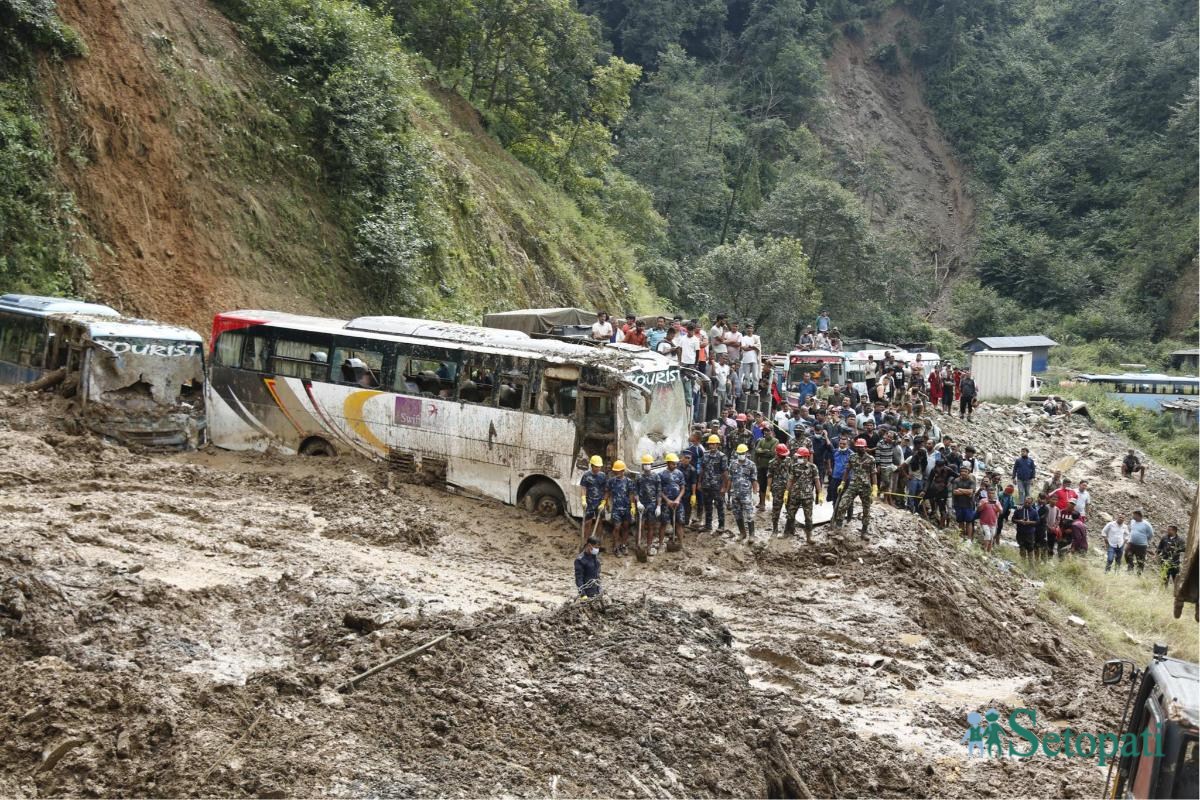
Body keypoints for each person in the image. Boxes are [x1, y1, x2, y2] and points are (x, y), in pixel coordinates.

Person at [833, 438, 876, 538]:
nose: (859, 449)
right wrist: (843, 483)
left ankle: (864, 532)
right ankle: (838, 528)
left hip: (865, 487)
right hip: (853, 485)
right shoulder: (852, 457)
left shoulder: (871, 459)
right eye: (857, 447)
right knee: (842, 504)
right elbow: (847, 470)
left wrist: (875, 487)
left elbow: (873, 474)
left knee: (866, 509)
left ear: (865, 447)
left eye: (861, 447)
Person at [604, 460, 635, 556]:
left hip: (626, 508)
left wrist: (633, 505)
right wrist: (605, 503)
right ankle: (616, 547)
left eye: (619, 471)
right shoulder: (611, 481)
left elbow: (631, 494)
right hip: (616, 509)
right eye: (615, 471)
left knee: (626, 527)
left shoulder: (629, 482)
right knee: (617, 527)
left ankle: (624, 545)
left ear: (623, 471)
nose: (617, 472)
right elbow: (607, 493)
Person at [728, 443, 759, 540]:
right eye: (739, 453)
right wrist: (727, 493)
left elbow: (754, 480)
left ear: (746, 453)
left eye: (742, 453)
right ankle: (742, 533)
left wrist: (755, 494)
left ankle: (752, 535)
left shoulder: (751, 465)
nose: (741, 454)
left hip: (746, 495)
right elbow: (730, 479)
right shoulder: (733, 464)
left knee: (749, 514)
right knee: (737, 514)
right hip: (735, 494)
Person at [700, 434, 729, 533]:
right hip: (706, 484)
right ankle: (708, 525)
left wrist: (724, 487)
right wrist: (699, 482)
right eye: (710, 444)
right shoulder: (705, 454)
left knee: (719, 506)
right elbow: (702, 469)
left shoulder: (722, 456)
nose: (711, 446)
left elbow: (725, 473)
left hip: (717, 486)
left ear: (717, 445)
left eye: (713, 444)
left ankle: (721, 526)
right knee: (707, 506)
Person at [658, 453, 686, 550]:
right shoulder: (661, 475)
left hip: (678, 503)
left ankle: (681, 544)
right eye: (673, 464)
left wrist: (678, 499)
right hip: (666, 503)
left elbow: (683, 488)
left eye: (676, 464)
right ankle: (661, 544)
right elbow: (659, 490)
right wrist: (667, 500)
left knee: (679, 523)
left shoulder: (679, 473)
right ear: (668, 463)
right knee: (663, 524)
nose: (675, 465)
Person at [635, 454, 660, 548]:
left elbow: (659, 492)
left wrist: (658, 506)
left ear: (651, 464)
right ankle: (638, 545)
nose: (646, 465)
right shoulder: (638, 477)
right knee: (639, 526)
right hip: (641, 505)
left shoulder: (656, 477)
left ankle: (649, 546)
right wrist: (637, 502)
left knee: (651, 526)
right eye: (645, 464)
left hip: (652, 505)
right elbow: (635, 492)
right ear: (642, 465)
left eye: (648, 463)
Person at [766, 443, 791, 535]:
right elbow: (770, 476)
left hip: (788, 488)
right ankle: (775, 529)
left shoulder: (789, 460)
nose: (783, 457)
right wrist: (768, 489)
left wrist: (790, 488)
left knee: (790, 509)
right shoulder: (772, 463)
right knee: (776, 509)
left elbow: (792, 474)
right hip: (777, 489)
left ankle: (789, 529)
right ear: (776, 454)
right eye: (781, 456)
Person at [579, 455, 607, 535]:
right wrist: (583, 499)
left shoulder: (603, 476)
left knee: (600, 522)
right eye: (596, 466)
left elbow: (606, 490)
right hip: (589, 503)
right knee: (588, 522)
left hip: (599, 503)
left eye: (599, 466)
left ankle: (598, 542)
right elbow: (583, 488)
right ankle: (586, 542)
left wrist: (604, 502)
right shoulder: (586, 475)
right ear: (591, 466)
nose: (598, 468)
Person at [951, 466, 977, 541]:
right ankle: (961, 537)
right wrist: (966, 491)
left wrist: (960, 490)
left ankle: (969, 539)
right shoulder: (956, 480)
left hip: (969, 504)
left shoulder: (971, 481)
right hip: (958, 504)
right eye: (962, 471)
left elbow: (971, 492)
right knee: (960, 521)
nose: (963, 473)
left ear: (968, 472)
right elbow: (955, 492)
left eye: (965, 471)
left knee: (969, 522)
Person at [1012, 496, 1039, 561]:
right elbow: (1013, 519)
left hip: (1030, 533)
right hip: (1020, 532)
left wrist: (1029, 522)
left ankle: (1031, 564)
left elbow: (1037, 522)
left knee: (1030, 548)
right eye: (1026, 502)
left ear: (1032, 503)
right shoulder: (1019, 510)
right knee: (1022, 547)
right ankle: (1023, 562)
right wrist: (1020, 521)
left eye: (1029, 503)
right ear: (1024, 502)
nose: (1027, 504)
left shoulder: (1034, 511)